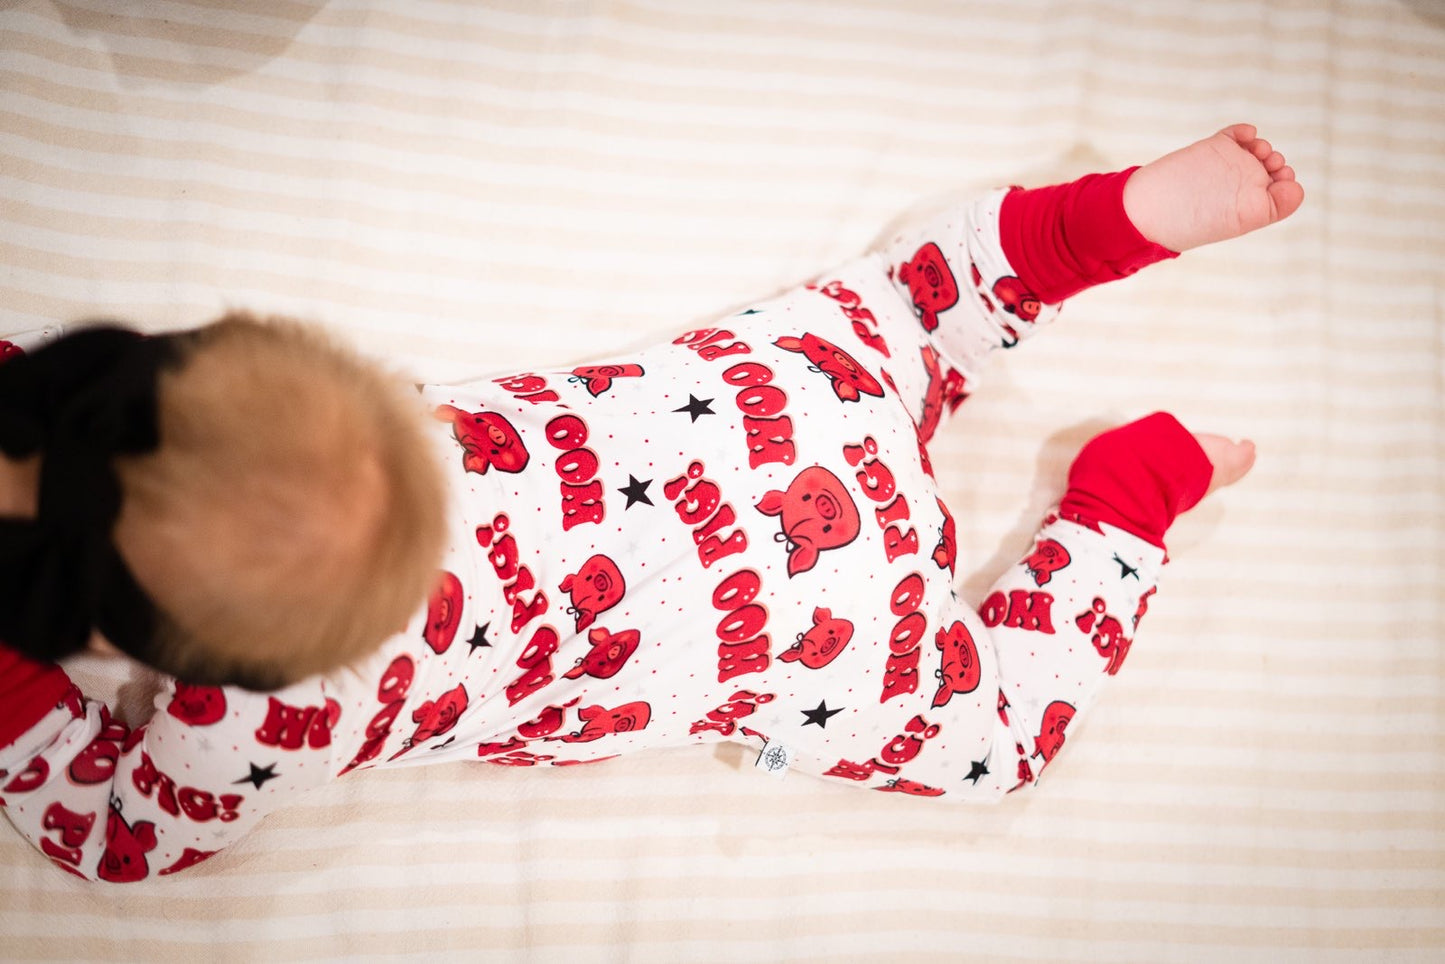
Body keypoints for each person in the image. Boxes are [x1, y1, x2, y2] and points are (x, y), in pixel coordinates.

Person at [0, 125, 1301, 882]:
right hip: (787, 403)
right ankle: (1114, 222)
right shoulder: (358, 405)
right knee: (914, 300)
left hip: (827, 634)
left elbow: (112, 833)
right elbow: (119, 420)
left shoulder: (251, 724)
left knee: (998, 737)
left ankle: (1131, 498)